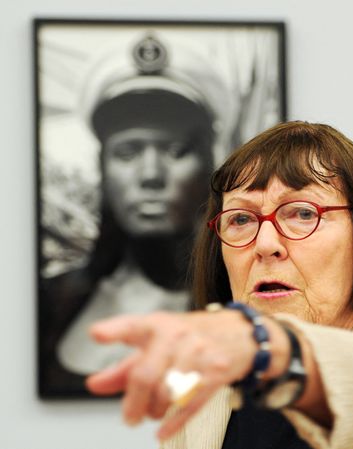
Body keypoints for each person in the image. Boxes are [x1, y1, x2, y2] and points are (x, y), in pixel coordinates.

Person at [85, 121, 353, 449]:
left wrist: (274, 351)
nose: (265, 244)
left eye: (302, 213)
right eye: (241, 219)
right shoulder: (204, 388)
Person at [38, 33, 223, 396]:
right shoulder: (50, 300)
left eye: (176, 150)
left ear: (208, 167)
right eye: (127, 152)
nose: (151, 175)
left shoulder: (245, 307)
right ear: (103, 170)